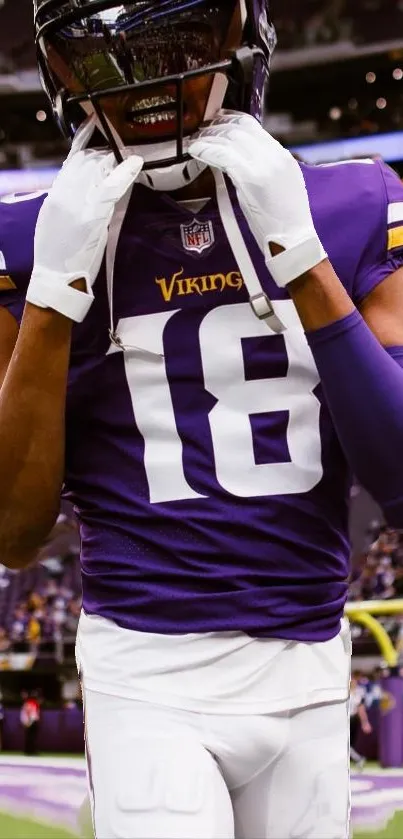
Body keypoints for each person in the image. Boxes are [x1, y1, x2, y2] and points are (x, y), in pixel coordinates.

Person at [1, 1, 403, 837]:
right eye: (110, 54)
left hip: (311, 659)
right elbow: (11, 529)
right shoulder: (28, 234)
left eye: (177, 37)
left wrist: (299, 255)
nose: (151, 77)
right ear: (63, 70)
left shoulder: (355, 201)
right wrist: (50, 298)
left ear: (237, 34)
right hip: (146, 667)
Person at [349, 672, 372, 771]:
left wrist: (365, 722)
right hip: (346, 719)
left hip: (351, 719)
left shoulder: (358, 693)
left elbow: (361, 709)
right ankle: (357, 758)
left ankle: (358, 758)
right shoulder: (344, 692)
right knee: (345, 743)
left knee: (347, 743)